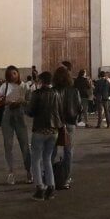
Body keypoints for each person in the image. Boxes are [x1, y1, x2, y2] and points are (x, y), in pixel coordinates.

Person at [27, 71, 62, 200]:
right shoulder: (56, 93)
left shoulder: (36, 94)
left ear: (41, 81)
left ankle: (40, 188)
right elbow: (60, 111)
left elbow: (30, 111)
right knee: (47, 159)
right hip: (54, 130)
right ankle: (51, 187)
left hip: (40, 130)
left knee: (36, 160)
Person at [0, 66, 32, 185]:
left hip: (20, 115)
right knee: (8, 145)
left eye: (15, 73)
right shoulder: (4, 86)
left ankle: (29, 171)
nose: (14, 75)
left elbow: (30, 102)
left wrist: (22, 102)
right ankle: (11, 173)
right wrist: (5, 101)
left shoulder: (24, 86)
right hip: (7, 116)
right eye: (11, 73)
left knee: (25, 145)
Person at [52, 65, 81, 188]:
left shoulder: (53, 91)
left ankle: (49, 175)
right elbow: (79, 107)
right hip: (69, 122)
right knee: (68, 150)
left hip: (54, 123)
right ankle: (66, 178)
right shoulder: (74, 90)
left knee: (51, 150)